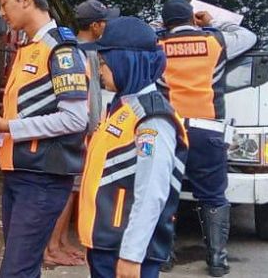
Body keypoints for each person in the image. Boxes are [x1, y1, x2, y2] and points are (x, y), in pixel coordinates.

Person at [0, 0, 90, 278]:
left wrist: (7, 127)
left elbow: (75, 118)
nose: (2, 13)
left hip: (42, 177)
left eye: (4, 4)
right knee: (22, 268)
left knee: (15, 271)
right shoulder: (31, 48)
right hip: (22, 173)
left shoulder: (60, 50)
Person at [79, 16, 188, 278]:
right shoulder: (123, 107)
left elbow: (152, 191)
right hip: (108, 244)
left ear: (125, 61)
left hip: (124, 250)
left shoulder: (152, 120)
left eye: (104, 63)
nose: (100, 71)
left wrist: (132, 254)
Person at [158, 0, 257, 277]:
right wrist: (212, 23)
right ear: (192, 18)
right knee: (213, 196)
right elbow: (249, 36)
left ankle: (163, 255)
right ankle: (216, 260)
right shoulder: (216, 43)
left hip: (172, 129)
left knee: (166, 193)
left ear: (166, 24)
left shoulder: (159, 47)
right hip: (208, 130)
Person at [44, 0, 120, 268]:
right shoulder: (84, 54)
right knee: (68, 191)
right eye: (105, 22)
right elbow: (92, 99)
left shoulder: (76, 49)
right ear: (96, 26)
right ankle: (52, 247)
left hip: (82, 130)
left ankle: (61, 242)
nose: (107, 26)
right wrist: (94, 130)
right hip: (82, 132)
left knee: (72, 190)